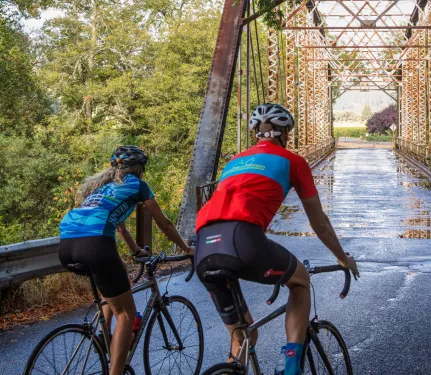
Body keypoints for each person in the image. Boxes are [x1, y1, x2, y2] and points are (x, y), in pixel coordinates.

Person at [194, 103, 359, 375]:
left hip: (203, 248)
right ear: (286, 134)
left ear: (256, 134)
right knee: (300, 280)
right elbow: (319, 222)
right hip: (242, 241)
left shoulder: (234, 161)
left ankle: (232, 368)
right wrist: (342, 258)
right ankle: (291, 362)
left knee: (243, 337)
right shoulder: (293, 161)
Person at [58, 145, 193, 375]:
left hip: (66, 245)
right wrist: (186, 248)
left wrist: (135, 251)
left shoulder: (102, 188)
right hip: (95, 245)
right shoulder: (139, 186)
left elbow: (120, 228)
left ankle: (104, 335)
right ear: (140, 169)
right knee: (127, 313)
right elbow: (165, 224)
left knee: (115, 280)